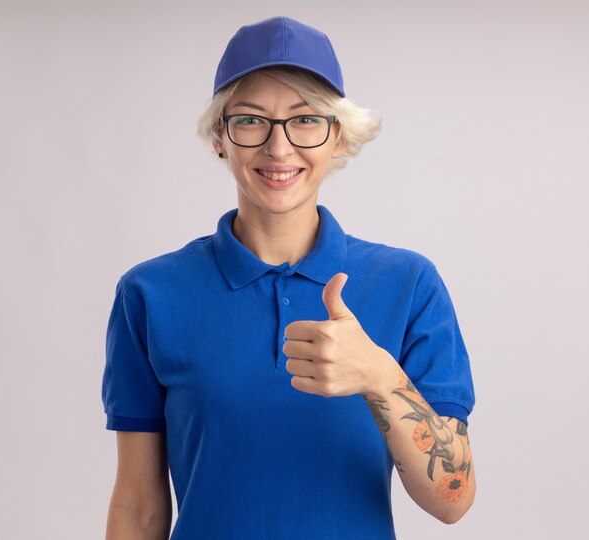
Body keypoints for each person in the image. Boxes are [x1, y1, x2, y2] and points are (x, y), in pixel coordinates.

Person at [102, 16, 476, 540]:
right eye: (252, 120)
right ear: (219, 137)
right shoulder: (150, 294)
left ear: (338, 138)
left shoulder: (409, 284)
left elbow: (452, 499)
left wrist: (379, 376)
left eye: (305, 120)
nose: (279, 149)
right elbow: (139, 507)